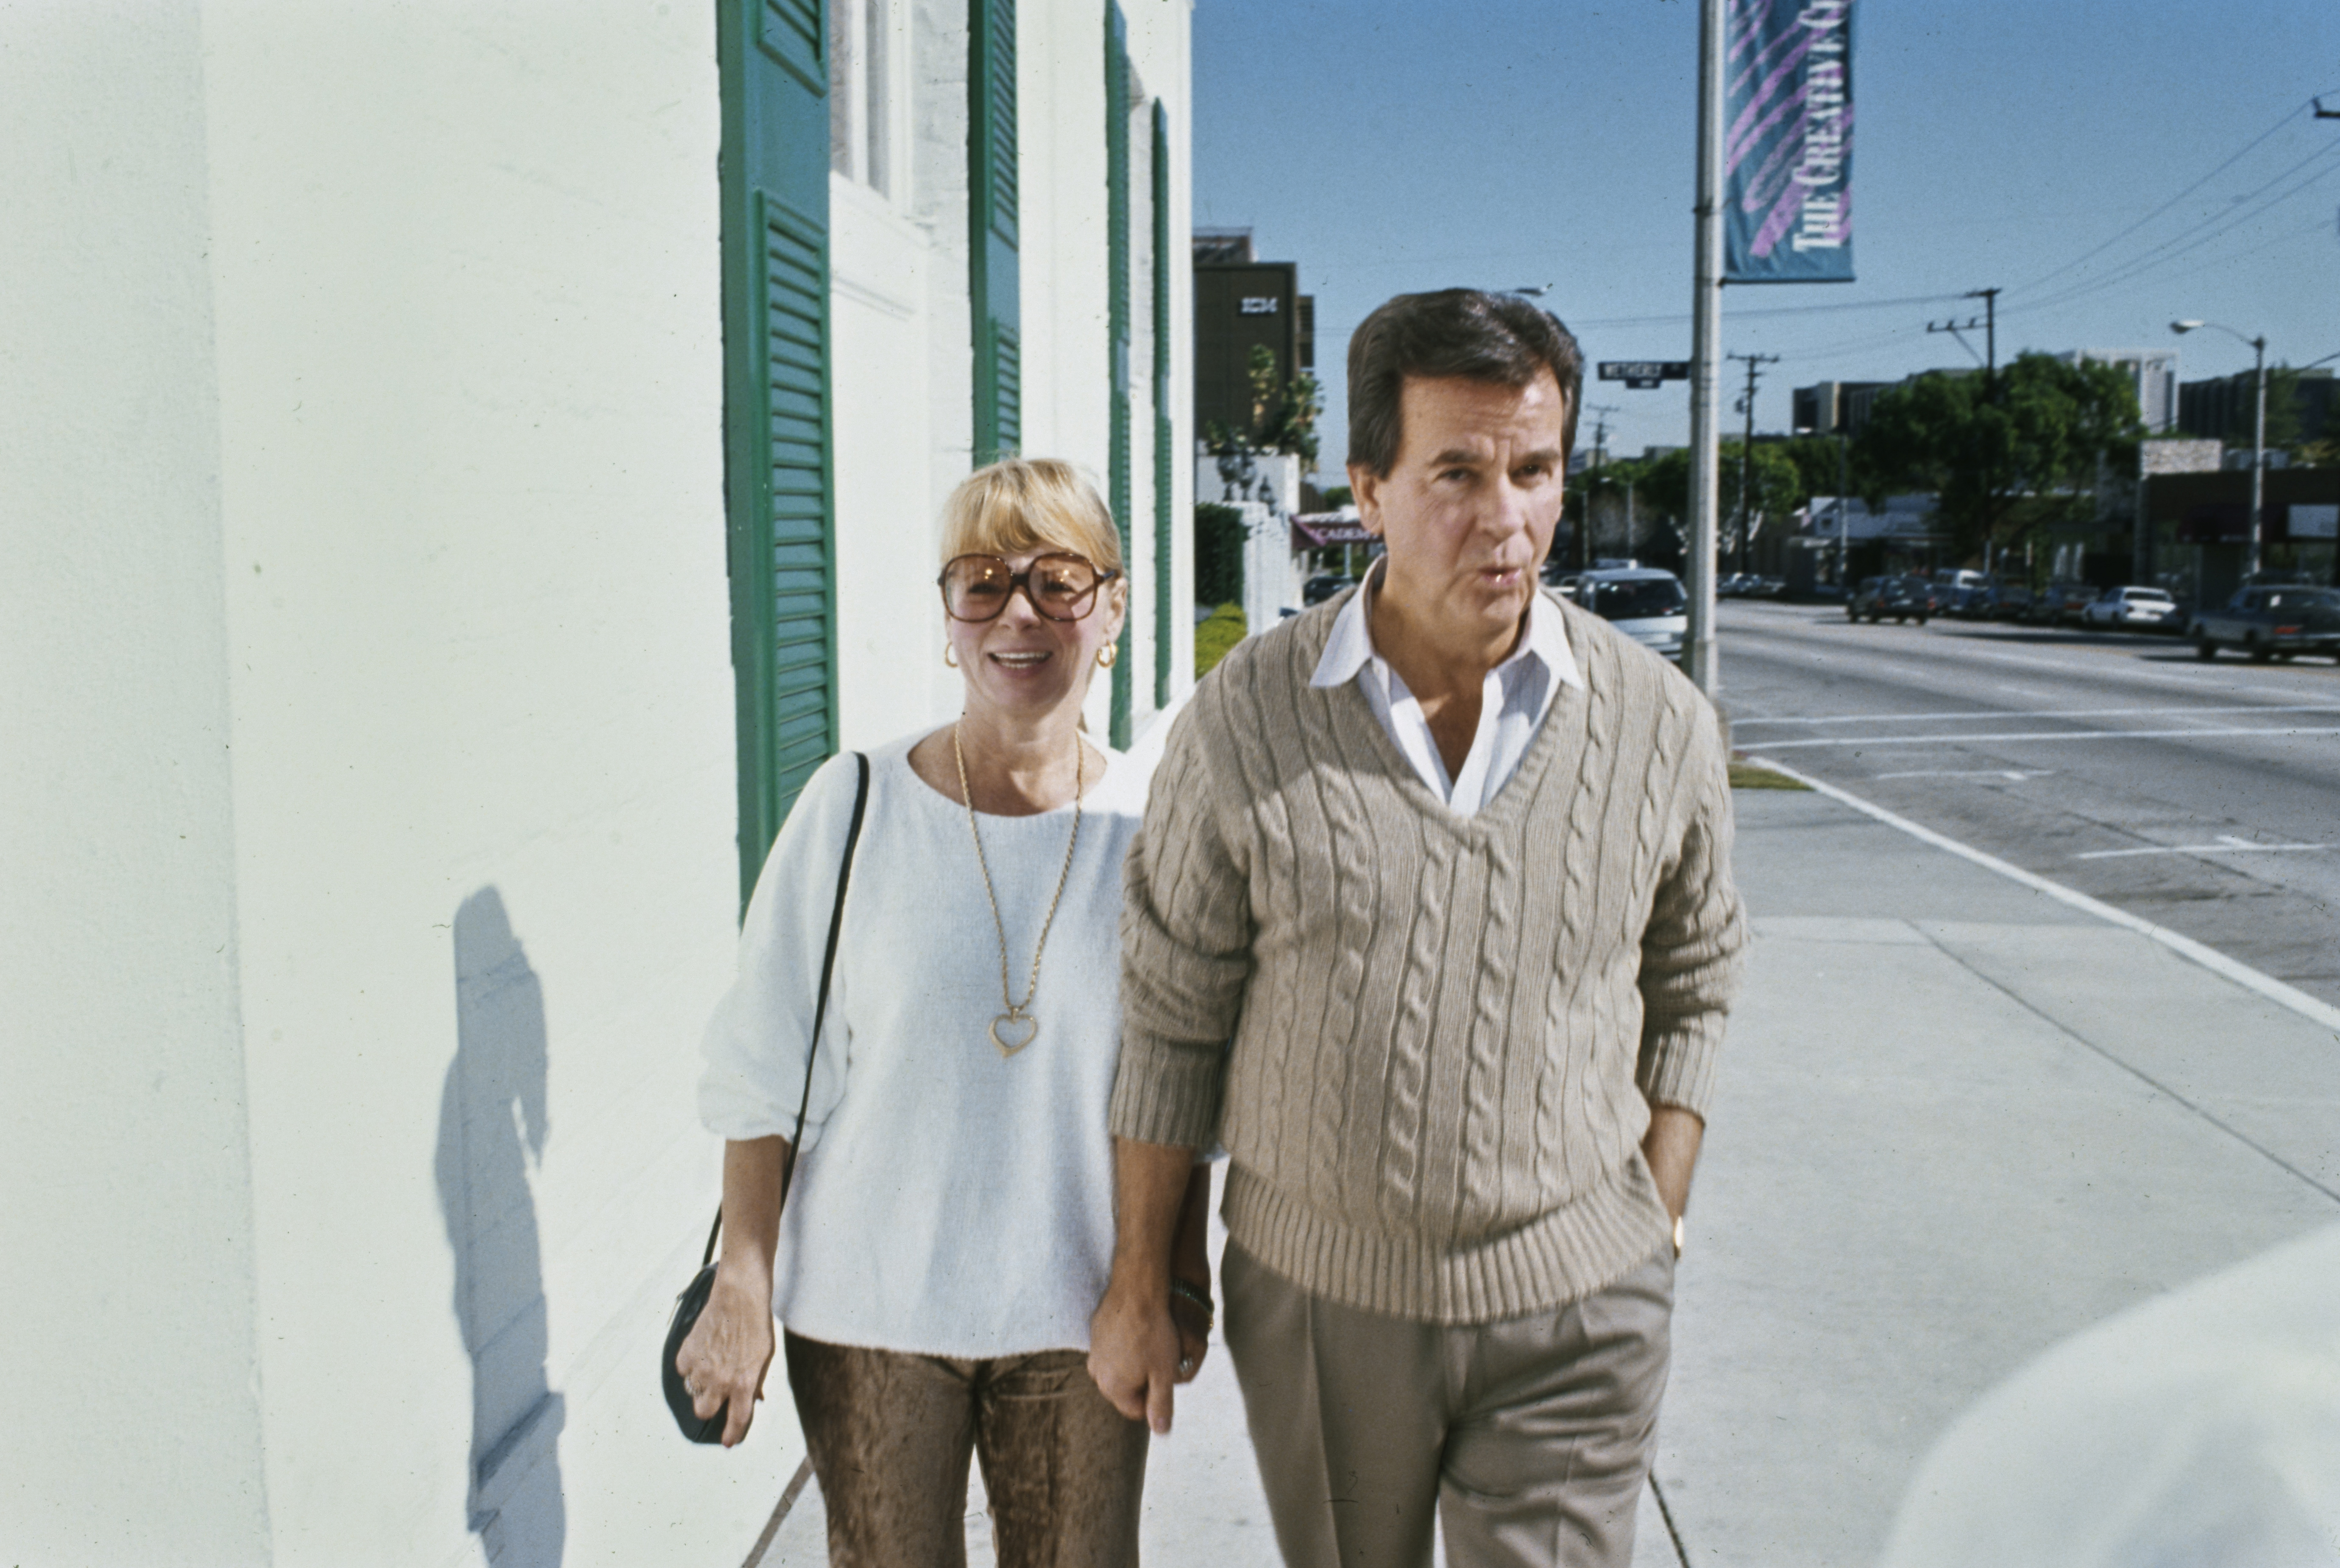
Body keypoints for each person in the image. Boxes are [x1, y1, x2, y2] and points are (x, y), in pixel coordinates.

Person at [1089, 290, 1748, 1568]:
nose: (1505, 518)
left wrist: (1659, 1209)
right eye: (1457, 473)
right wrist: (1138, 1282)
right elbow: (1172, 1016)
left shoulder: (1659, 722)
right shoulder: (1247, 718)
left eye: (1534, 471)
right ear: (1369, 489)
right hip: (1322, 1304)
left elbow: (1698, 971)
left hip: (1579, 1308)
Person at [683, 458, 1212, 1567]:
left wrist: (1173, 1283)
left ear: (1113, 609)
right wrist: (743, 1277)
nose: (1019, 612)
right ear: (948, 618)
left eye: (1058, 580)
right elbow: (762, 1067)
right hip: (868, 1317)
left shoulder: (1154, 832)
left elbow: (1177, 1089)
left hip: (1081, 1317)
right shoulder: (853, 806)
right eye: (983, 581)